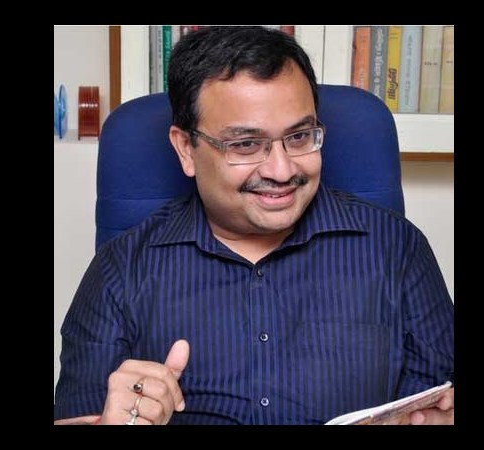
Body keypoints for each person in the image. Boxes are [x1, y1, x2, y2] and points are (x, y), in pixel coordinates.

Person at [54, 25, 454, 425]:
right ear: (186, 149)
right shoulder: (120, 270)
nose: (281, 170)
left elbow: (437, 400)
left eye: (299, 137)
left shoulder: (396, 248)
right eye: (245, 144)